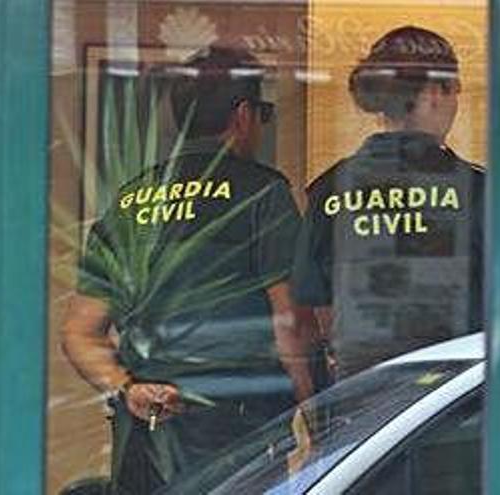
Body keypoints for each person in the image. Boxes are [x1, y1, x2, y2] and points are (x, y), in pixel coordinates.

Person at [61, 46, 313, 494]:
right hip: (237, 436)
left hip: (143, 436)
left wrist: (128, 388)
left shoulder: (130, 200)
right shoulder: (260, 194)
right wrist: (319, 415)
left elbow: (80, 332)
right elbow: (289, 324)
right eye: (264, 113)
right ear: (243, 115)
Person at [292, 26, 485, 378]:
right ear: (433, 93)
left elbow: (315, 309)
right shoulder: (476, 190)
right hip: (452, 405)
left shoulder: (327, 190)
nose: (456, 100)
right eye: (455, 88)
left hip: (362, 397)